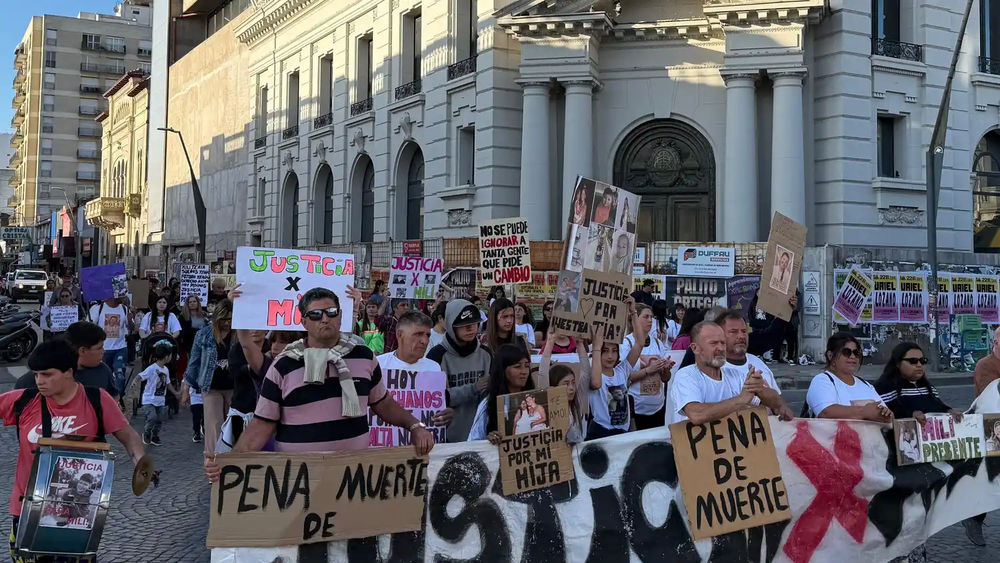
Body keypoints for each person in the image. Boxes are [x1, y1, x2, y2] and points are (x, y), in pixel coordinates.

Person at [201, 287, 434, 476]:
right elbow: (262, 424)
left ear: (340, 316)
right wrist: (230, 463)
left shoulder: (363, 357)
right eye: (315, 314)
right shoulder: (284, 365)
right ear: (304, 323)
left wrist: (415, 426)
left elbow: (383, 403)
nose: (325, 319)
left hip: (353, 477)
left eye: (331, 312)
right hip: (298, 479)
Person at [2, 340, 146, 561]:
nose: (39, 381)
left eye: (47, 374)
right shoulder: (23, 400)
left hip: (78, 514)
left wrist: (141, 463)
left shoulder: (97, 399)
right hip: (26, 508)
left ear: (69, 372)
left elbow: (129, 437)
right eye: (36, 374)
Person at [668, 321, 775, 425]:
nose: (720, 348)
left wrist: (761, 390)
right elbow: (696, 415)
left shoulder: (735, 375)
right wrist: (740, 401)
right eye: (713, 343)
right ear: (695, 348)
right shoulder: (686, 376)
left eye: (723, 343)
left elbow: (772, 406)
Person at [426, 299, 493, 442]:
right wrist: (474, 388)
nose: (470, 328)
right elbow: (435, 399)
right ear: (451, 326)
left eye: (474, 323)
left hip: (480, 436)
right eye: (463, 325)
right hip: (447, 438)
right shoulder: (436, 356)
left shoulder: (486, 354)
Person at [716, 309, 794, 420]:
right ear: (719, 336)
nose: (741, 336)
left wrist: (782, 410)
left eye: (744, 331)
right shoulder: (714, 369)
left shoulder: (758, 363)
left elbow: (780, 405)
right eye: (733, 331)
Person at [584, 296, 644, 440]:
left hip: (622, 434)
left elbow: (640, 342)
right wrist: (597, 346)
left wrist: (633, 312)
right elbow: (596, 383)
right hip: (601, 433)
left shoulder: (621, 371)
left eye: (614, 350)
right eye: (605, 351)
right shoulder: (594, 374)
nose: (610, 356)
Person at [14, 322, 118, 400]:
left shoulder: (103, 370)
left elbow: (114, 396)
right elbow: (15, 400)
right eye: (99, 348)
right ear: (82, 350)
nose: (103, 351)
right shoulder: (47, 372)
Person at [184, 298, 235, 454]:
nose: (226, 323)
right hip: (211, 385)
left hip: (234, 386)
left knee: (234, 425)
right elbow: (194, 361)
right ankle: (214, 462)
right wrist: (187, 387)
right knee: (214, 427)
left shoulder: (240, 334)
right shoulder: (204, 334)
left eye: (230, 319)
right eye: (223, 319)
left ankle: (233, 459)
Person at [804, 332, 892, 421]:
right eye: (846, 352)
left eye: (856, 352)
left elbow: (886, 415)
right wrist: (864, 412)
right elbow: (825, 412)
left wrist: (886, 414)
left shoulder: (866, 385)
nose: (853, 356)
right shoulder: (822, 381)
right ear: (831, 356)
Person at [875, 342, 959, 420]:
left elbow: (938, 406)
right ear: (898, 363)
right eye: (913, 361)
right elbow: (879, 415)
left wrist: (949, 411)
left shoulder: (928, 387)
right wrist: (910, 414)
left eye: (922, 361)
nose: (919, 365)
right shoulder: (885, 387)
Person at [621, 304, 673, 430]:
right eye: (646, 317)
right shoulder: (626, 343)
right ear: (634, 319)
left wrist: (665, 368)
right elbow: (623, 378)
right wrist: (649, 370)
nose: (650, 320)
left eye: (651, 317)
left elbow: (665, 379)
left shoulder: (657, 343)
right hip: (636, 410)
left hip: (658, 408)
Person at [468, 344, 533, 441]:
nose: (524, 371)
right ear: (503, 370)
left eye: (527, 366)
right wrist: (488, 440)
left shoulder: (534, 399)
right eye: (517, 366)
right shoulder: (488, 404)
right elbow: (473, 442)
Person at [539, 329, 589, 442]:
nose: (571, 388)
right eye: (566, 384)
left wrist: (580, 345)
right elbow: (542, 374)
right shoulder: (547, 405)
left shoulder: (578, 404)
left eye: (573, 383)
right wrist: (550, 342)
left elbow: (586, 373)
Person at [88, 296, 135, 396]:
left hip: (120, 348)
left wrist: (130, 320)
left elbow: (131, 328)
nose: (124, 296)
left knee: (120, 375)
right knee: (105, 375)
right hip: (103, 349)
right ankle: (105, 397)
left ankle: (118, 399)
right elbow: (89, 327)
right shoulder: (97, 309)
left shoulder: (124, 309)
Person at [139, 343, 180, 446]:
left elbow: (168, 383)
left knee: (159, 420)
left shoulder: (166, 370)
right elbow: (141, 375)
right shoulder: (152, 368)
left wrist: (175, 393)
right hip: (149, 399)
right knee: (152, 417)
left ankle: (155, 436)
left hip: (160, 400)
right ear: (166, 356)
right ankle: (147, 433)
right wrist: (135, 382)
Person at [376, 311, 443, 371]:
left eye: (427, 335)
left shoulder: (433, 368)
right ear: (400, 334)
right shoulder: (379, 365)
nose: (425, 341)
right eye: (418, 334)